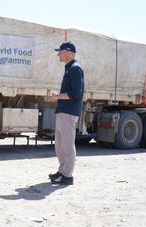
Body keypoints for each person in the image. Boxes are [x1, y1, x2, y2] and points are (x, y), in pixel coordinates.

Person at [49, 42, 85, 185]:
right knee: (59, 143)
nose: (58, 54)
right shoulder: (70, 68)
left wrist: (56, 96)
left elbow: (75, 94)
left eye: (61, 52)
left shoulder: (75, 69)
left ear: (69, 53)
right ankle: (63, 170)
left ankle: (68, 176)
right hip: (64, 111)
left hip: (68, 112)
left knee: (67, 144)